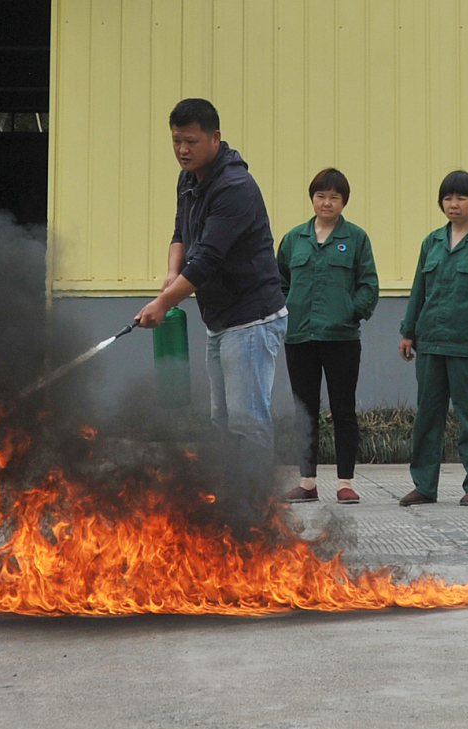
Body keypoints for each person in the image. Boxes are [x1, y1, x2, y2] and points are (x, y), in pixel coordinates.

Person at [135, 98, 287, 527]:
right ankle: (232, 501)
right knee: (223, 420)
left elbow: (207, 261)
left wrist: (164, 303)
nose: (182, 150)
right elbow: (181, 234)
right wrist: (171, 274)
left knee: (248, 420)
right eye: (176, 141)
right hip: (220, 320)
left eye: (191, 141)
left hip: (252, 319)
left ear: (215, 138)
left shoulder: (235, 187)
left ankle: (257, 510)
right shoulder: (189, 179)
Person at [398, 170, 468, 507]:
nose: (453, 204)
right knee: (427, 416)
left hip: (467, 344)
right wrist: (408, 331)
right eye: (447, 198)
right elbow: (419, 289)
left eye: (461, 197)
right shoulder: (431, 242)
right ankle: (424, 486)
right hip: (430, 342)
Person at [277, 168, 379, 505]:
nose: (327, 202)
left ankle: (345, 482)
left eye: (334, 197)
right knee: (304, 412)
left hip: (341, 338)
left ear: (343, 202)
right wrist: (286, 314)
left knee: (343, 410)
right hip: (300, 337)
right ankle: (307, 482)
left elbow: (368, 283)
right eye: (321, 196)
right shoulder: (294, 239)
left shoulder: (356, 238)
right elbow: (279, 282)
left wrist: (351, 311)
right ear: (312, 199)